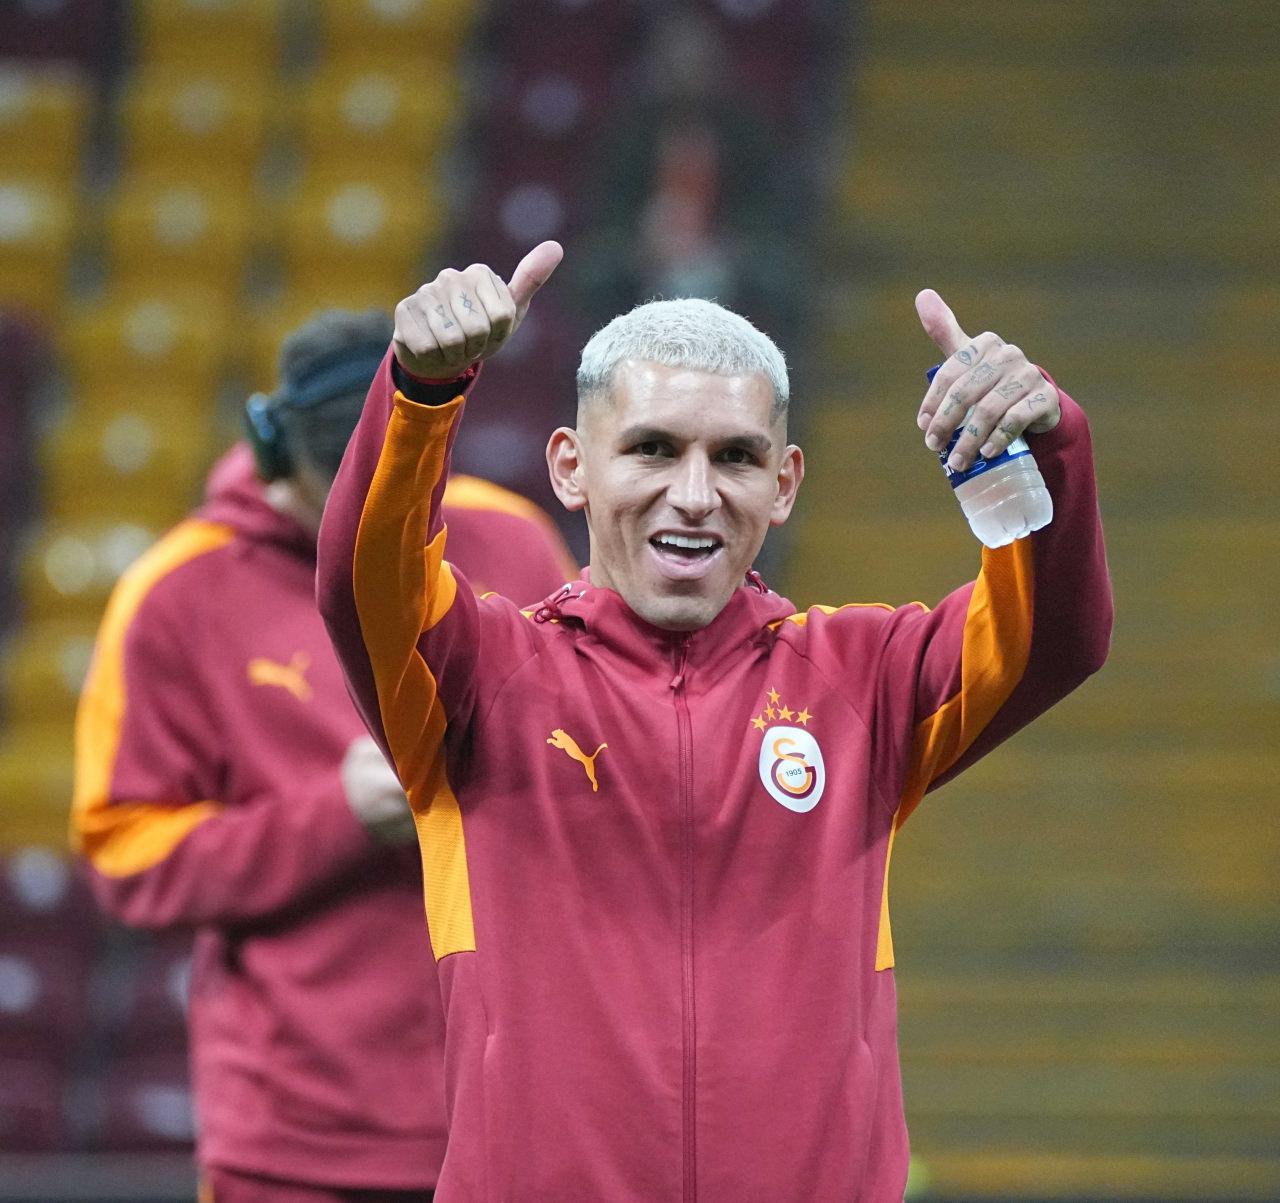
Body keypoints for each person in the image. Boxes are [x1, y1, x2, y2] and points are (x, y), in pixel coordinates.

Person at [317, 245, 1112, 1200]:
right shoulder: (479, 678)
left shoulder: (864, 681)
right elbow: (364, 584)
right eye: (652, 448)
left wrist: (1045, 444)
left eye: (736, 456)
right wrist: (420, 395)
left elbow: (1054, 636)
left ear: (784, 483)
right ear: (571, 467)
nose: (695, 495)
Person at [72, 309, 576, 1202]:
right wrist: (336, 818)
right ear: (275, 455)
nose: (369, 519)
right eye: (339, 489)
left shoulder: (516, 538)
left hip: (515, 1118)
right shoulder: (174, 595)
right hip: (296, 1143)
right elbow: (124, 856)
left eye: (400, 490)